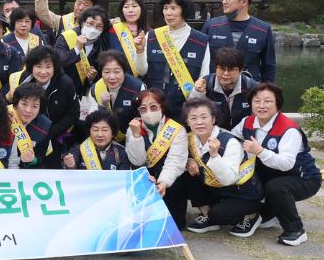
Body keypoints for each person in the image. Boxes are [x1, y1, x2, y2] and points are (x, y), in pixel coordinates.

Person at [233, 83, 322, 246]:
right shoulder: (247, 121)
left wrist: (260, 151)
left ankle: (295, 230)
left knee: (276, 187)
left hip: (304, 178)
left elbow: (286, 164)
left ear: (277, 104)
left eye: (268, 101)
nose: (261, 106)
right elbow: (232, 138)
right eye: (257, 101)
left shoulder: (289, 129)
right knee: (247, 176)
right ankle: (268, 214)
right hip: (274, 174)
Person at [183, 95, 264, 236]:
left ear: (213, 119)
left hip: (242, 193)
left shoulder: (229, 141)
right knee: (188, 175)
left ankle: (251, 216)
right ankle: (207, 215)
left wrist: (214, 155)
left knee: (219, 214)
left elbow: (229, 179)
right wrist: (189, 161)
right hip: (218, 190)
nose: (199, 122)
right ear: (187, 121)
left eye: (204, 117)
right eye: (193, 118)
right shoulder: (190, 138)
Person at [138, 0, 210, 119]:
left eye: (173, 8)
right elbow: (141, 71)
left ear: (184, 10)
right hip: (153, 109)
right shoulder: (153, 36)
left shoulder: (201, 40)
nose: (168, 13)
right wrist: (140, 51)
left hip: (185, 109)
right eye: (165, 8)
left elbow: (204, 77)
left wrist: (194, 98)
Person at [124, 89, 190, 229]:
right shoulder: (133, 128)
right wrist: (136, 137)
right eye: (143, 108)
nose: (148, 111)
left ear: (162, 106)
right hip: (146, 178)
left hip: (169, 181)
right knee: (144, 224)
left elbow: (175, 161)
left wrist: (163, 183)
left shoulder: (176, 129)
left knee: (174, 225)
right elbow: (137, 161)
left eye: (153, 107)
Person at [9, 46, 79, 151]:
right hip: (24, 132)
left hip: (54, 134)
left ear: (54, 67)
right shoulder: (25, 78)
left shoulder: (65, 83)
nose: (43, 72)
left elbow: (73, 114)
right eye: (39, 66)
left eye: (48, 67)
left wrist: (49, 133)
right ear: (31, 67)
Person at [204, 0, 276, 83]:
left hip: (249, 89)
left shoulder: (263, 29)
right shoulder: (211, 26)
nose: (224, 2)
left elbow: (269, 65)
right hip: (216, 88)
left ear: (243, 2)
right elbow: (201, 59)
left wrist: (268, 90)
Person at [85, 51, 145, 142]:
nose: (112, 77)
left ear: (124, 71)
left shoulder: (138, 87)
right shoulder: (95, 89)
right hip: (104, 139)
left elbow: (143, 119)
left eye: (117, 71)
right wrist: (102, 106)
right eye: (107, 72)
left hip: (132, 137)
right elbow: (92, 121)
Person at [193, 47, 256, 129]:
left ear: (240, 70)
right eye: (222, 69)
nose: (226, 74)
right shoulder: (205, 84)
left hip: (244, 135)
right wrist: (199, 93)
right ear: (215, 68)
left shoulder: (252, 87)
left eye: (231, 70)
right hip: (214, 135)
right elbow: (193, 113)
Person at [55, 7, 110, 94]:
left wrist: (92, 78)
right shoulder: (67, 36)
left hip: (83, 93)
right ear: (83, 22)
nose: (93, 29)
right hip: (61, 89)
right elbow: (57, 62)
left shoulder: (101, 44)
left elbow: (100, 73)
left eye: (99, 26)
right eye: (90, 23)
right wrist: (77, 48)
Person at [8, 82, 57, 169]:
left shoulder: (45, 125)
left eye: (34, 106)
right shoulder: (4, 115)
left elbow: (40, 157)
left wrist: (32, 160)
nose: (28, 110)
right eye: (24, 104)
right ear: (16, 103)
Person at [64, 111, 131, 170]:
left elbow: (124, 179)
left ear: (113, 133)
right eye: (95, 130)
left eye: (105, 130)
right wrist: (71, 166)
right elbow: (72, 176)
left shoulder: (121, 153)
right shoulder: (79, 149)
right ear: (89, 131)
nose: (100, 134)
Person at [33, 0, 98, 36]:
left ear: (93, 7)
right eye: (78, 3)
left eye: (86, 5)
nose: (80, 8)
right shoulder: (62, 21)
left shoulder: (98, 24)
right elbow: (41, 12)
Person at [108, 0, 149, 74]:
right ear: (121, 10)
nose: (130, 10)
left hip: (142, 83)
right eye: (126, 7)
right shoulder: (112, 29)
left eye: (134, 6)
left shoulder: (150, 33)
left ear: (142, 8)